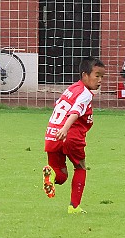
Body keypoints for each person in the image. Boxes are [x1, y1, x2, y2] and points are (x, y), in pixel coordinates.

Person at [43, 56, 106, 214]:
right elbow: (75, 112)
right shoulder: (84, 93)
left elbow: (58, 107)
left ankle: (49, 177)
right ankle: (74, 207)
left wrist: (58, 130)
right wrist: (65, 129)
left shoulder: (71, 89)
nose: (100, 80)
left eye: (102, 77)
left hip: (51, 135)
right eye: (97, 75)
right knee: (81, 167)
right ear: (85, 75)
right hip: (69, 135)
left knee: (61, 176)